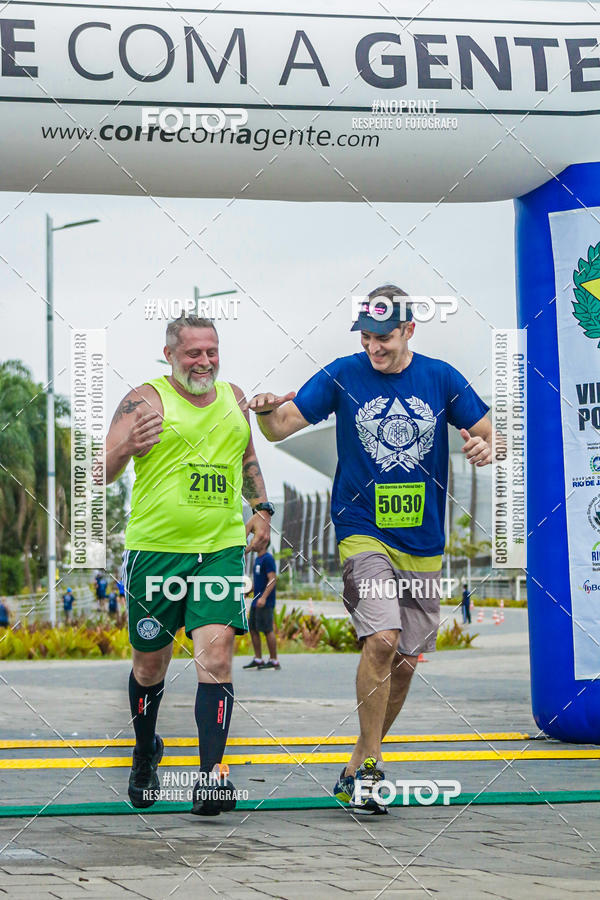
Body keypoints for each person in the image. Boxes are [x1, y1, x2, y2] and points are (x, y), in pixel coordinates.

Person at [248, 284, 493, 810]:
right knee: (382, 639)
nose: (373, 348)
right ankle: (373, 770)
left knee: (404, 662)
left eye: (383, 338)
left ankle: (358, 762)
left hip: (424, 541)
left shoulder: (441, 377)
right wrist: (267, 411)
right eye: (366, 338)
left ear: (409, 329)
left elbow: (488, 430)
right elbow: (282, 427)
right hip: (362, 530)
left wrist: (483, 444)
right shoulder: (342, 373)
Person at [105, 314, 273, 816]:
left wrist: (261, 508)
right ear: (170, 354)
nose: (204, 362)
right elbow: (99, 468)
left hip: (219, 550)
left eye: (211, 352)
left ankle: (210, 778)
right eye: (193, 353)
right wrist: (126, 447)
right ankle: (144, 751)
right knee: (149, 664)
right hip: (156, 551)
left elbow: (246, 458)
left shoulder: (233, 399)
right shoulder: (145, 400)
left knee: (216, 660)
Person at [244, 546, 280, 670]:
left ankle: (274, 660)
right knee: (253, 629)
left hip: (265, 602)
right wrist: (249, 591)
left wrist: (264, 597)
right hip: (256, 601)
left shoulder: (268, 558)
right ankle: (258, 659)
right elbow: (258, 581)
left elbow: (272, 579)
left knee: (267, 630)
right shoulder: (257, 559)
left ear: (263, 542)